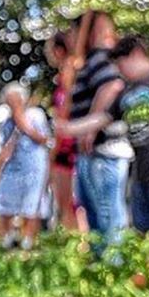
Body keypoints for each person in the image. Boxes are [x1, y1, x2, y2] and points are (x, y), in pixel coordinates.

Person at [58, 35, 149, 255]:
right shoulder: (127, 90)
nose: (120, 71)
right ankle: (148, 276)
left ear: (136, 54)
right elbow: (103, 118)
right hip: (142, 172)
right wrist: (69, 128)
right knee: (142, 229)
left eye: (121, 64)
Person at [69, 13, 132, 250]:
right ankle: (101, 270)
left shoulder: (100, 58)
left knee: (108, 216)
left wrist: (89, 131)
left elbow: (111, 86)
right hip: (96, 153)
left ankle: (113, 271)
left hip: (103, 151)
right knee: (97, 216)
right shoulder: (90, 60)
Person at [0, 83, 50, 251]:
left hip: (34, 168)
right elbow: (5, 147)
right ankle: (7, 240)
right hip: (12, 168)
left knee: (32, 204)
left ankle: (28, 241)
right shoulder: (6, 123)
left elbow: (43, 139)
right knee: (4, 200)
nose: (13, 102)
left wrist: (21, 122)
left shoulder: (35, 115)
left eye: (16, 99)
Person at [45, 31, 85, 232]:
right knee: (63, 201)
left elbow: (66, 108)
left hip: (70, 145)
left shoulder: (71, 70)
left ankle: (79, 241)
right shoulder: (64, 74)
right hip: (62, 142)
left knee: (72, 202)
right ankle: (72, 241)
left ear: (58, 51)